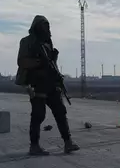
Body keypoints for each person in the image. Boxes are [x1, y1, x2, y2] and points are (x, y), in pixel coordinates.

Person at [16, 15, 80, 156]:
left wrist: (56, 72)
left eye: (47, 26)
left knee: (60, 112)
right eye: (43, 26)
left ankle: (68, 142)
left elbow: (51, 64)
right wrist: (39, 63)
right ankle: (34, 146)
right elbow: (22, 62)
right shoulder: (27, 42)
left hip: (51, 83)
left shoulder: (47, 42)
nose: (46, 29)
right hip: (36, 83)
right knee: (38, 115)